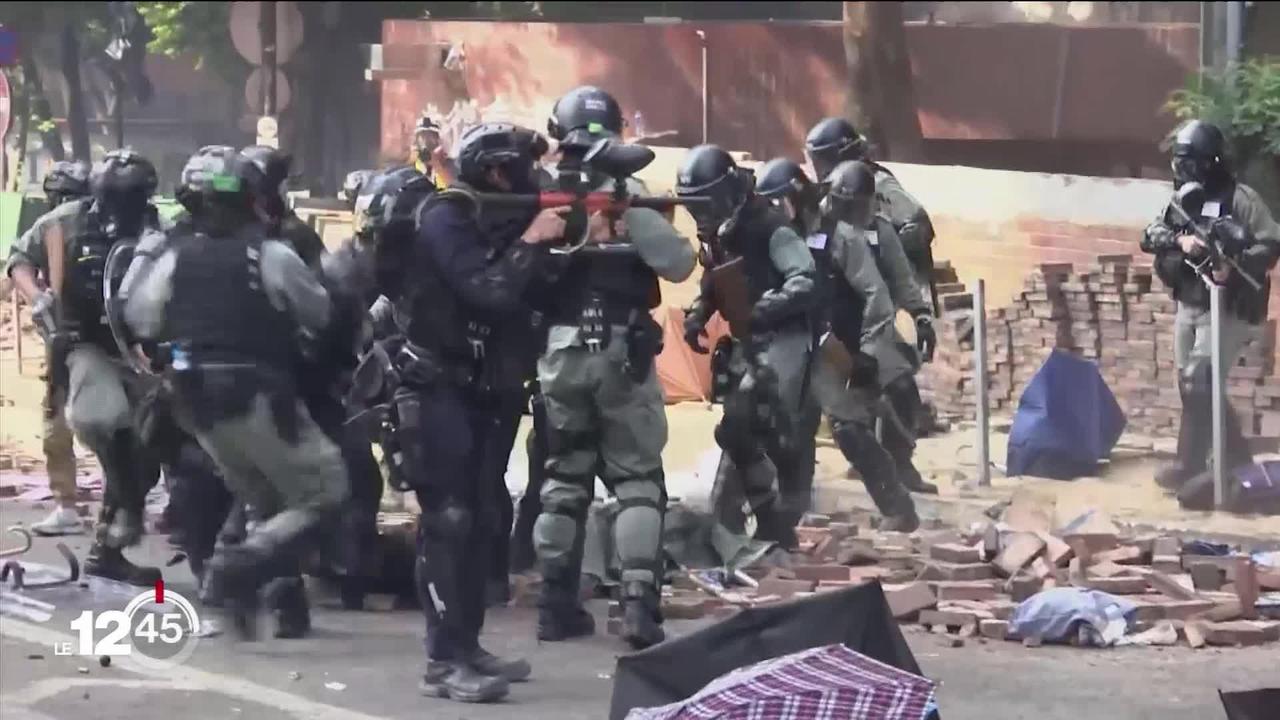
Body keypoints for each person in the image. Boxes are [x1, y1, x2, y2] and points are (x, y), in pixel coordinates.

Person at [122, 146, 347, 639]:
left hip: (196, 405)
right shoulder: (269, 255)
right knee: (326, 492)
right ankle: (235, 567)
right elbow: (320, 313)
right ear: (251, 198)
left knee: (265, 499)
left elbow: (140, 317)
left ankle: (266, 601)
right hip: (261, 398)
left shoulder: (172, 258)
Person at [399, 122, 564, 702]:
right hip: (434, 388)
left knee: (482, 520)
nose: (533, 180)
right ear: (497, 173)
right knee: (448, 521)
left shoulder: (500, 218)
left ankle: (465, 644)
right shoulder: (446, 217)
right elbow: (488, 290)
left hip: (481, 392)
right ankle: (442, 663)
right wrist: (534, 240)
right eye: (523, 168)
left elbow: (532, 298)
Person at [531, 85, 696, 650]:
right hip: (619, 351)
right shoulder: (625, 194)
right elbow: (677, 265)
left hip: (557, 353)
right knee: (636, 479)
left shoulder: (539, 195)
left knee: (563, 478)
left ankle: (554, 605)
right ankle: (637, 608)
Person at [7, 150, 163, 584]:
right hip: (82, 344)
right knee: (104, 418)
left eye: (135, 197)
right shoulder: (64, 221)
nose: (126, 206)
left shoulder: (157, 229)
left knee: (149, 450)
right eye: (118, 196)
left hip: (136, 350)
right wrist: (38, 299)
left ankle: (107, 550)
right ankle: (114, 505)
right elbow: (19, 258)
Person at [679, 147, 817, 557]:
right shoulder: (720, 232)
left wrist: (765, 306)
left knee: (757, 425)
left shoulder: (769, 227)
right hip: (750, 340)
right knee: (736, 429)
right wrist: (696, 317)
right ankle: (769, 519)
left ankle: (781, 513)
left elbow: (805, 278)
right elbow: (713, 278)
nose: (699, 214)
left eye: (704, 203)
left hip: (785, 337)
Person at [1142, 120, 1280, 492]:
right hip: (1189, 302)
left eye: (1191, 161)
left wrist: (1231, 263)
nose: (1184, 170)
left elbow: (1270, 244)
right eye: (1180, 162)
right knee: (1193, 386)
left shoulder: (1241, 199)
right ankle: (1236, 463)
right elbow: (1151, 235)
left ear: (1211, 161)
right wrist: (1180, 241)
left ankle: (1191, 464)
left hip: (1229, 307)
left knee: (1201, 379)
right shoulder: (1182, 200)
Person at [804, 131, 940, 496]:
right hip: (826, 330)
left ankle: (900, 463)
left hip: (871, 327)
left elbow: (898, 277)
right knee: (827, 406)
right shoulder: (816, 229)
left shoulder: (880, 228)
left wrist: (922, 315)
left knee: (901, 388)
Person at [810, 160, 921, 531]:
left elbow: (881, 294)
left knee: (859, 418)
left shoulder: (856, 237)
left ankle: (898, 502)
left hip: (853, 338)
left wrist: (866, 355)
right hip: (807, 338)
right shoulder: (806, 229)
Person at [7, 161, 92, 536]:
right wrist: (38, 295)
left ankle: (68, 505)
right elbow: (18, 265)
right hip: (97, 343)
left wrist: (37, 297)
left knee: (58, 423)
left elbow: (17, 263)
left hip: (74, 342)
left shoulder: (54, 225)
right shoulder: (58, 228)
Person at [805, 117, 938, 313]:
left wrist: (882, 251)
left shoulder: (878, 181)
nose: (817, 168)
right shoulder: (835, 186)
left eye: (820, 160)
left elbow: (919, 225)